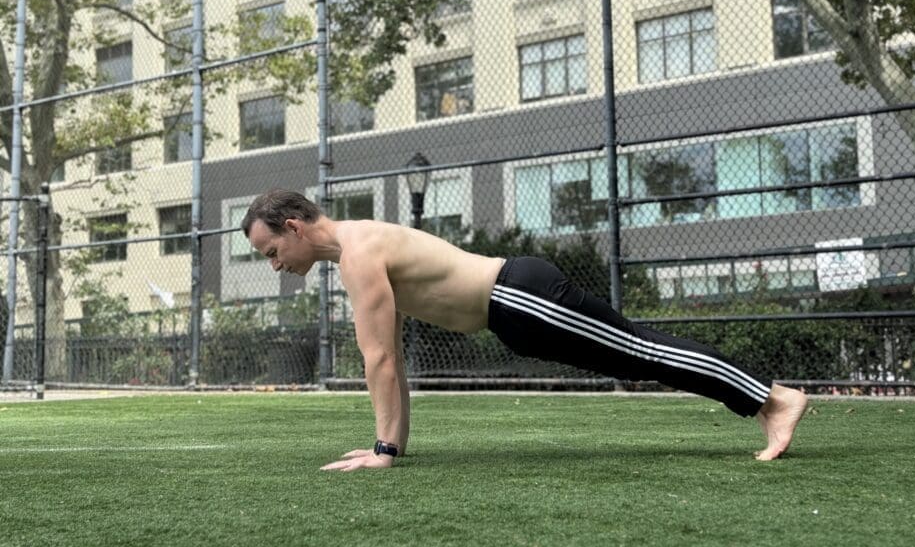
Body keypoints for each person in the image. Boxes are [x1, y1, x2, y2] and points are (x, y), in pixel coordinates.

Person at [241, 189, 808, 472]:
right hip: (513, 314)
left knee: (639, 350)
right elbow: (388, 356)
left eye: (271, 251)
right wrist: (393, 446)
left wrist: (384, 450)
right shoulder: (355, 251)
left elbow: (380, 361)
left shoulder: (360, 253)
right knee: (635, 357)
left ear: (293, 227)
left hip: (519, 296)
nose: (275, 265)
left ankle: (773, 398)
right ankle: (767, 400)